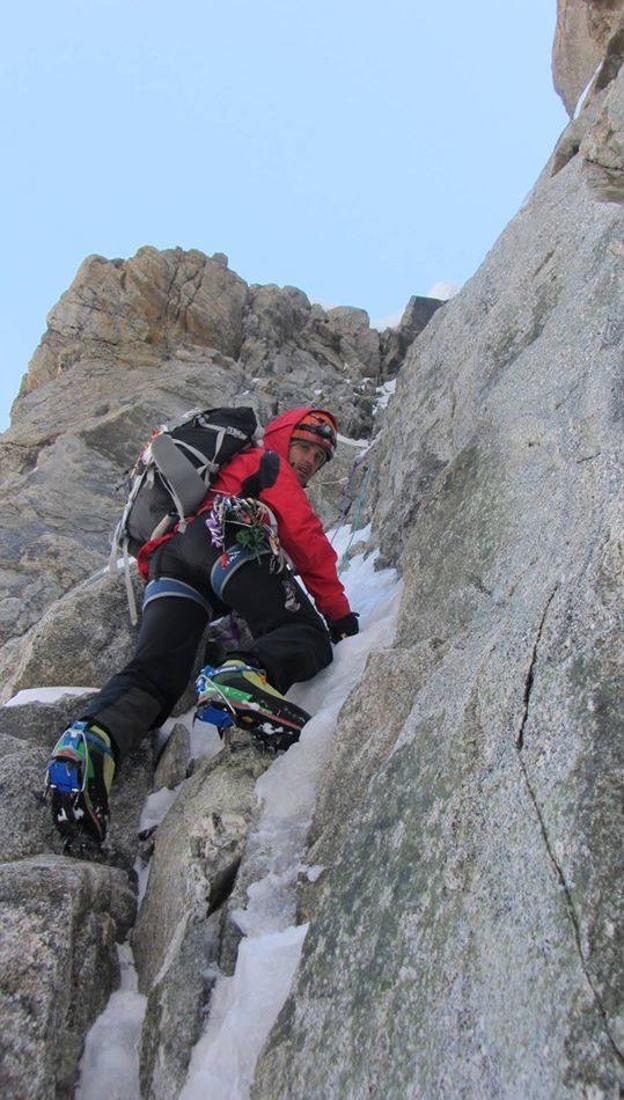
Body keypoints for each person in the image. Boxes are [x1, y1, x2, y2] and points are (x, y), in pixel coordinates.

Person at [45, 407, 359, 849]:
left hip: (168, 563)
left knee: (156, 674)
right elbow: (306, 540)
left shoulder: (217, 474)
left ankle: (91, 741)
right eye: (303, 446)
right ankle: (243, 678)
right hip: (222, 537)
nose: (308, 460)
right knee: (306, 632)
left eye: (319, 456)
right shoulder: (264, 461)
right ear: (282, 436)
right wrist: (340, 618)